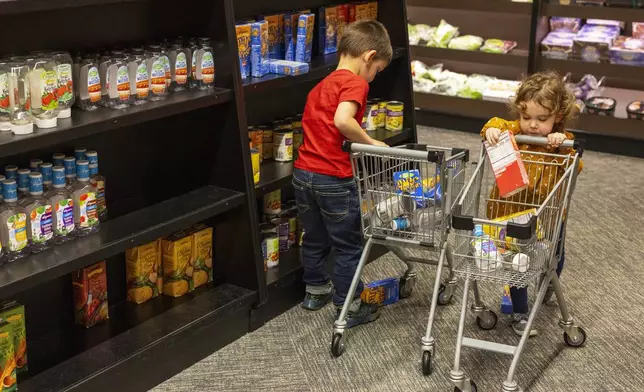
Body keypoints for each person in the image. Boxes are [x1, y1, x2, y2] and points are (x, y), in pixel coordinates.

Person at [292, 20, 392, 327]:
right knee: (349, 246)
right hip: (333, 178)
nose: (374, 77)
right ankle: (348, 307)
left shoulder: (320, 86)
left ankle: (315, 290)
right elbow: (343, 121)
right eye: (377, 70)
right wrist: (372, 142)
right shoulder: (355, 83)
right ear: (368, 56)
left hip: (303, 174)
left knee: (315, 236)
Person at [480, 71, 583, 337]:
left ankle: (551, 281)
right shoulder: (514, 130)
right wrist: (492, 129)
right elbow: (495, 123)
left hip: (547, 216)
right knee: (518, 264)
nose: (532, 126)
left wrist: (562, 146)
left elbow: (576, 167)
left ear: (557, 117)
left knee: (554, 259)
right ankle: (520, 312)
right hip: (511, 213)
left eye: (542, 119)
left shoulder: (561, 142)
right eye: (526, 117)